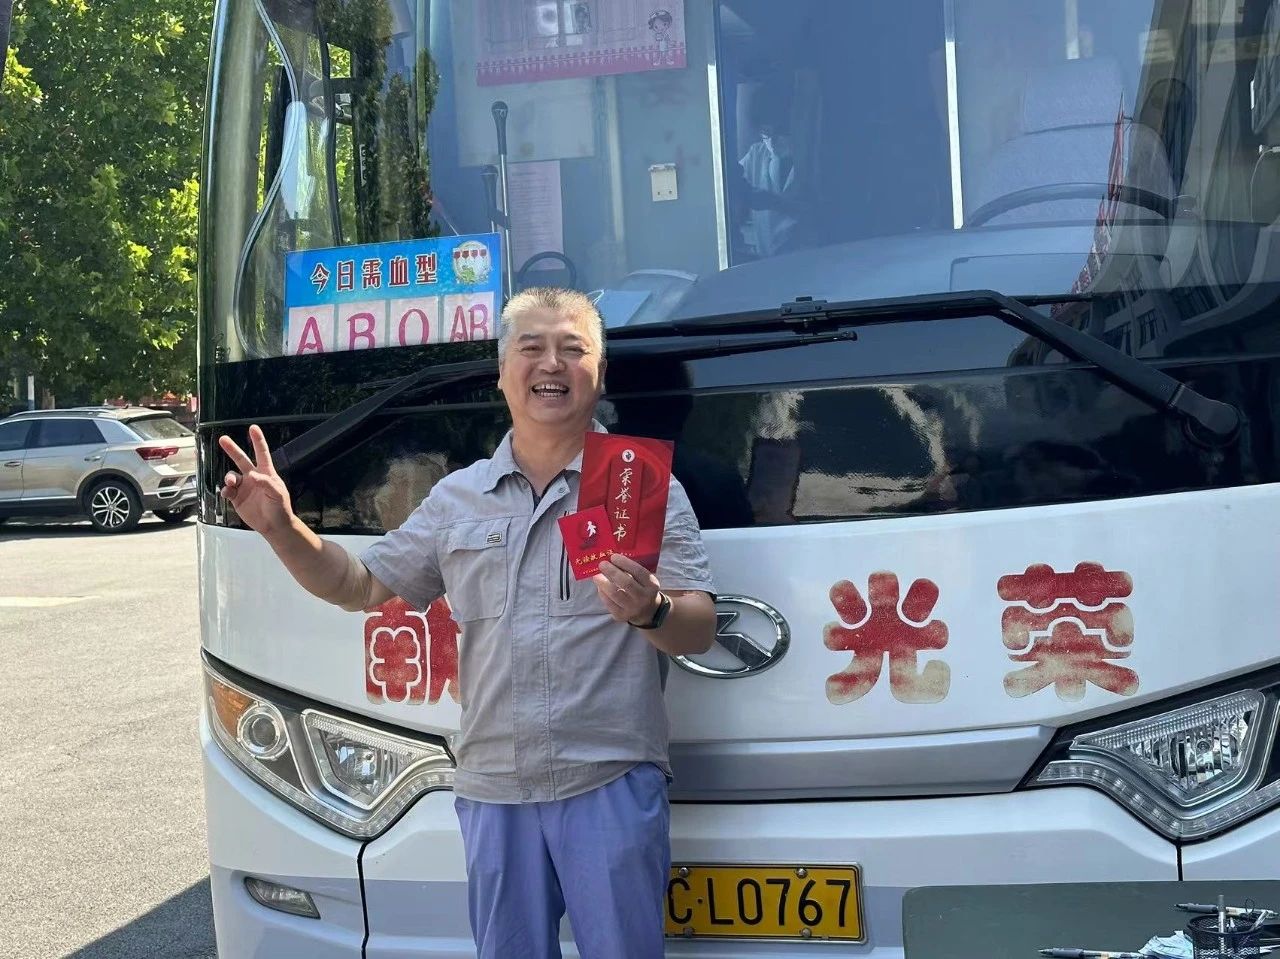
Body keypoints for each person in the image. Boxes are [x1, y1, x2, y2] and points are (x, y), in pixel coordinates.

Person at [217, 286, 717, 959]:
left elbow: (699, 626)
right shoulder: (458, 499)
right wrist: (282, 528)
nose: (552, 364)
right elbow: (357, 585)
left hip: (609, 778)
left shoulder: (641, 484)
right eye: (531, 347)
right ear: (502, 373)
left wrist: (654, 610)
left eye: (573, 349)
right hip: (495, 789)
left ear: (599, 375)